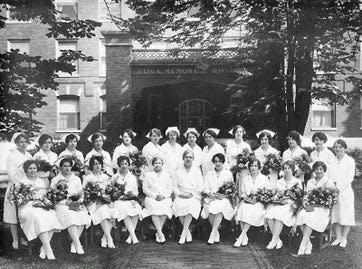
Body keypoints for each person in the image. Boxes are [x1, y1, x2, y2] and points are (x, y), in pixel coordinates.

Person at [17, 160, 61, 260]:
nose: (32, 170)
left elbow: (43, 196)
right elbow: (18, 200)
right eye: (30, 168)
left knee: (52, 214)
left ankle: (43, 248)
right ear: (26, 170)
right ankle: (49, 250)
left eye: (34, 168)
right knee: (38, 217)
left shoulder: (40, 181)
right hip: (26, 208)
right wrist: (29, 198)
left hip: (39, 205)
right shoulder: (20, 182)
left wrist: (47, 202)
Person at [51, 157, 91, 255]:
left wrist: (79, 201)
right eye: (65, 166)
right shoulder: (56, 179)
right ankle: (78, 244)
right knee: (71, 216)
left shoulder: (76, 179)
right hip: (61, 205)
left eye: (69, 166)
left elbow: (81, 194)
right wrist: (64, 202)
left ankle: (74, 243)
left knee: (83, 215)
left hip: (75, 203)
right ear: (60, 168)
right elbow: (52, 197)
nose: (67, 168)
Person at [296, 161, 335, 255]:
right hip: (311, 206)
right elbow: (307, 195)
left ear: (324, 170)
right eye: (316, 169)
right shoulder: (310, 181)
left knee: (311, 217)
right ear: (314, 170)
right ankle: (308, 243)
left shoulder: (328, 182)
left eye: (321, 169)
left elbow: (332, 199)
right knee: (301, 214)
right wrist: (305, 202)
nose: (318, 171)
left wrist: (323, 203)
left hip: (322, 209)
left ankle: (302, 244)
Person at [4, 132, 32, 249]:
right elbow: (10, 173)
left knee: (25, 212)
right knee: (14, 214)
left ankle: (25, 237)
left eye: (25, 141)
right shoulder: (12, 155)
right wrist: (19, 185)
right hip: (16, 186)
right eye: (21, 142)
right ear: (16, 143)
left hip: (28, 186)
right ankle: (15, 240)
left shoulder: (29, 155)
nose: (23, 144)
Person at [265, 160, 302, 249]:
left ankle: (273, 240)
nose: (286, 170)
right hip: (280, 204)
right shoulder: (279, 181)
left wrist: (289, 201)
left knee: (279, 214)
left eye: (289, 168)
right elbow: (277, 195)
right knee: (269, 213)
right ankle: (278, 240)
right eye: (285, 168)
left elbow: (299, 198)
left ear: (292, 169)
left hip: (291, 205)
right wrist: (275, 197)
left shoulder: (296, 181)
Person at [234, 159, 270, 247]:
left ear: (259, 168)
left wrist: (259, 198)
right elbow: (242, 192)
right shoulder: (246, 178)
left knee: (251, 210)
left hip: (259, 203)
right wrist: (245, 197)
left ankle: (241, 236)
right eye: (251, 165)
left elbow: (268, 193)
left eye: (255, 166)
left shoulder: (264, 179)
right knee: (243, 208)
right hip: (247, 201)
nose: (253, 167)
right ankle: (245, 237)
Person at [83, 155, 115, 248]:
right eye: (95, 164)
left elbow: (109, 190)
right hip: (92, 202)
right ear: (91, 166)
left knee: (112, 211)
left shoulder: (105, 177)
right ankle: (110, 239)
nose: (98, 166)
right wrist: (94, 195)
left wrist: (106, 196)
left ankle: (104, 238)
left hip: (104, 201)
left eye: (99, 164)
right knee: (103, 211)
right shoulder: (87, 178)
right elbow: (85, 192)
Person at [201, 153, 234, 245]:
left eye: (220, 161)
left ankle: (212, 234)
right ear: (213, 163)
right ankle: (216, 232)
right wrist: (209, 193)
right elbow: (205, 187)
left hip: (222, 198)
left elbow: (231, 189)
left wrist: (224, 195)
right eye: (216, 161)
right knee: (210, 209)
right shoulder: (209, 173)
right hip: (211, 197)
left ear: (223, 162)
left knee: (220, 208)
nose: (218, 163)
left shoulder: (228, 173)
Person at [173, 149, 203, 244]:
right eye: (186, 157)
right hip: (181, 195)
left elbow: (200, 185)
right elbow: (174, 186)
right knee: (178, 206)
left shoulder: (196, 170)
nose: (188, 159)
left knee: (191, 206)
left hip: (193, 195)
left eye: (190, 157)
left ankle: (183, 233)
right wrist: (180, 194)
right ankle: (187, 233)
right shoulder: (178, 170)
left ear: (193, 159)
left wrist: (192, 194)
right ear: (183, 158)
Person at [142, 156, 173, 243]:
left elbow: (170, 188)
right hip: (151, 197)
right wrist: (154, 196)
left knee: (165, 207)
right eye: (155, 163)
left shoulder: (167, 175)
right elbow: (145, 188)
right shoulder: (148, 175)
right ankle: (160, 233)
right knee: (154, 207)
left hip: (164, 198)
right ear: (153, 164)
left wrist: (163, 196)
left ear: (162, 164)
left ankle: (158, 233)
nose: (157, 165)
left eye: (159, 163)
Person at [331, 139, 355, 248]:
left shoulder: (350, 161)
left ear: (344, 148)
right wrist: (333, 189)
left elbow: (349, 178)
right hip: (334, 192)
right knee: (336, 215)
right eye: (336, 147)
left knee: (346, 215)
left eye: (340, 147)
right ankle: (338, 237)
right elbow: (330, 177)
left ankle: (344, 238)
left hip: (346, 192)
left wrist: (339, 189)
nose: (338, 149)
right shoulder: (333, 160)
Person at [113, 155, 142, 245]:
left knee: (136, 209)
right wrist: (119, 196)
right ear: (119, 165)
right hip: (119, 201)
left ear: (129, 165)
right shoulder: (115, 177)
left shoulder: (132, 177)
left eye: (126, 164)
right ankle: (133, 236)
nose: (124, 166)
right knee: (124, 209)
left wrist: (131, 196)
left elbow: (136, 192)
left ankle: (130, 236)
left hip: (130, 199)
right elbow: (112, 191)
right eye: (122, 164)